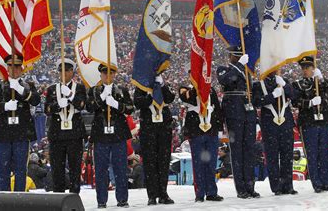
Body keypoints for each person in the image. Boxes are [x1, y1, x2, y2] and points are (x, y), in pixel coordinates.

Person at [0, 54, 40, 192]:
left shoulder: (28, 85)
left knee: (21, 171)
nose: (13, 69)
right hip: (3, 133)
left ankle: (19, 201)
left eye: (16, 66)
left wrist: (21, 89)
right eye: (10, 65)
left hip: (21, 133)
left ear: (21, 68)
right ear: (6, 67)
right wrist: (4, 106)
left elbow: (36, 100)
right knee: (2, 171)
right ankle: (4, 202)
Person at [86, 64, 134, 208]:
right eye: (104, 73)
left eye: (110, 73)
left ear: (114, 75)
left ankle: (122, 199)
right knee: (101, 170)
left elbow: (130, 108)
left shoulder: (121, 90)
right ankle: (101, 200)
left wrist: (116, 104)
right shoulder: (94, 91)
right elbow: (89, 107)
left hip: (118, 134)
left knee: (120, 169)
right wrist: (101, 97)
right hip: (101, 134)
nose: (107, 76)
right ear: (100, 74)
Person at [217, 46, 260, 199]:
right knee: (237, 151)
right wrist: (240, 66)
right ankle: (241, 188)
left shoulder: (247, 72)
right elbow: (226, 80)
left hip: (248, 112)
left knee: (249, 150)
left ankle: (250, 186)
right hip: (233, 112)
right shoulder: (224, 69)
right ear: (231, 57)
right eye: (236, 56)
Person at [292, 56, 328, 193]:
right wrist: (309, 103)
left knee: (324, 153)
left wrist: (322, 79)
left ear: (313, 68)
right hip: (308, 122)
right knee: (312, 154)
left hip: (323, 121)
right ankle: (316, 183)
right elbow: (295, 101)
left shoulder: (321, 82)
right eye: (303, 68)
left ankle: (326, 182)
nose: (305, 71)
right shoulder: (298, 84)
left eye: (308, 68)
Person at [179, 74, 224, 202]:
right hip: (196, 132)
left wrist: (219, 128)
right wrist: (197, 87)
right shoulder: (185, 89)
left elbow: (217, 109)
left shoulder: (211, 90)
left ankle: (211, 192)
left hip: (211, 131)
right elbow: (189, 99)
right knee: (198, 164)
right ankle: (200, 193)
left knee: (211, 164)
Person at [45, 58, 87, 194]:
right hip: (57, 134)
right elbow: (47, 109)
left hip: (74, 134)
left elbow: (81, 105)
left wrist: (70, 95)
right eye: (61, 71)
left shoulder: (79, 88)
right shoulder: (52, 89)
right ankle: (59, 195)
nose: (63, 73)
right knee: (57, 168)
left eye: (67, 70)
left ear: (72, 72)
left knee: (75, 167)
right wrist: (58, 105)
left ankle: (74, 195)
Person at [133, 74, 176, 205]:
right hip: (149, 128)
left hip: (163, 128)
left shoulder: (162, 84)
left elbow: (170, 98)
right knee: (149, 162)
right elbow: (138, 102)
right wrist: (150, 95)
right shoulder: (141, 85)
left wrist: (162, 85)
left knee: (163, 161)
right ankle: (151, 195)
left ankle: (163, 193)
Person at [253, 70, 297, 195]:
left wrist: (284, 85)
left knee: (287, 156)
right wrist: (272, 96)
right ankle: (276, 186)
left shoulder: (284, 81)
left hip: (286, 123)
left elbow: (294, 96)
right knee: (272, 157)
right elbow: (256, 102)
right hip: (269, 124)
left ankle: (288, 185)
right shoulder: (258, 84)